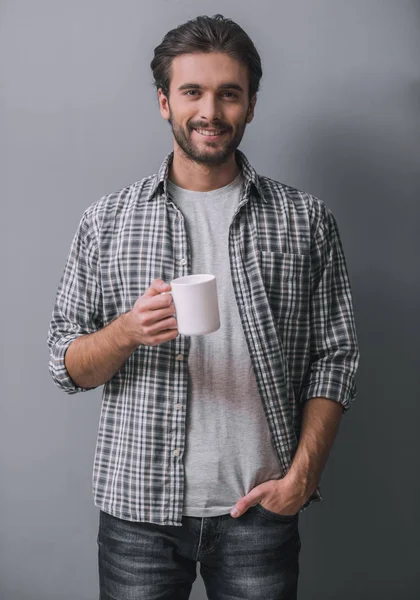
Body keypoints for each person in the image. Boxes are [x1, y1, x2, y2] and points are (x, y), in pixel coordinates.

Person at [47, 13, 360, 600]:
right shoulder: (107, 221)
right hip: (137, 513)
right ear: (165, 102)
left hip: (259, 511)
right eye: (192, 92)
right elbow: (64, 365)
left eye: (228, 94)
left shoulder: (306, 220)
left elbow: (335, 358)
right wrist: (125, 333)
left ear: (251, 104)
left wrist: (302, 478)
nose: (210, 111)